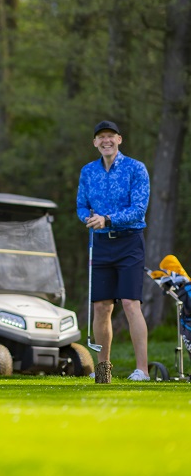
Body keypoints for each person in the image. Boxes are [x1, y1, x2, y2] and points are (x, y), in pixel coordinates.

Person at [76, 120, 151, 384]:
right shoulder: (88, 171)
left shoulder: (136, 168)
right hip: (100, 244)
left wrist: (107, 219)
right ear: (95, 142)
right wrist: (88, 218)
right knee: (101, 307)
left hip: (129, 242)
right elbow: (81, 205)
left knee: (130, 304)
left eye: (110, 136)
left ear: (119, 139)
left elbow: (138, 210)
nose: (106, 141)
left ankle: (142, 370)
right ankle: (103, 372)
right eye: (101, 137)